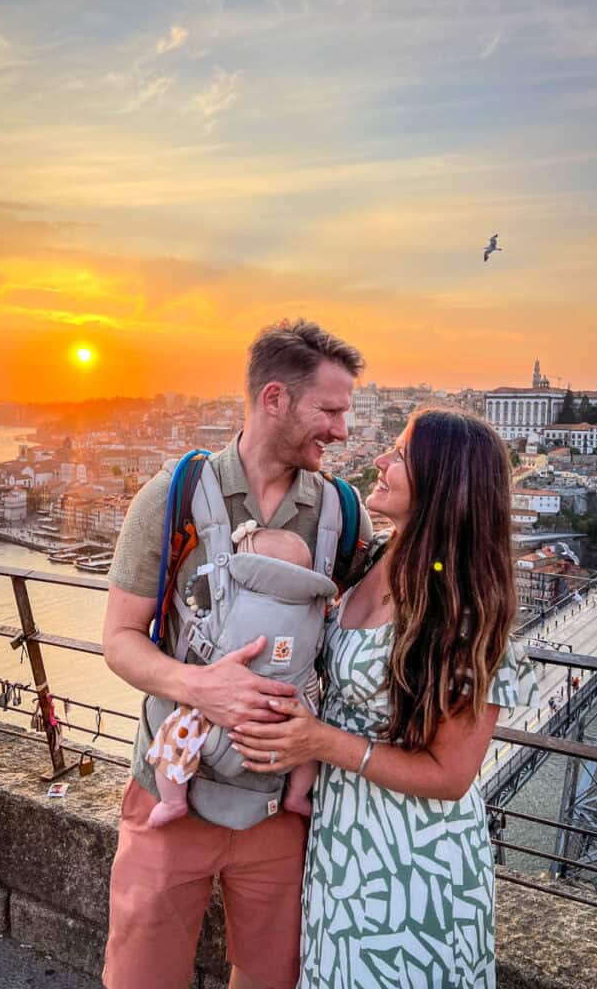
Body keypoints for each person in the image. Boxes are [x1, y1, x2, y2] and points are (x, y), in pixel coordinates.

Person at [102, 319, 371, 989]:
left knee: (271, 979)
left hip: (282, 805)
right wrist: (201, 690)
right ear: (274, 399)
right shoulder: (172, 497)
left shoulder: (343, 511)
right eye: (330, 411)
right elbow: (119, 640)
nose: (341, 431)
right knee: (142, 975)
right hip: (174, 794)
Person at [230, 407, 539, 989]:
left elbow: (451, 775)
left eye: (398, 454)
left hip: (415, 858)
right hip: (341, 837)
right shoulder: (373, 558)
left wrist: (320, 741)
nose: (380, 460)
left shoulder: (467, 613)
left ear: (442, 481)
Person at [145, 525, 325, 828]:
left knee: (175, 734)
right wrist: (309, 701)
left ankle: (172, 801)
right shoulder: (311, 616)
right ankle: (296, 795)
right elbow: (309, 669)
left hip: (221, 708)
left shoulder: (236, 606)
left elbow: (212, 647)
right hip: (286, 711)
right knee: (310, 751)